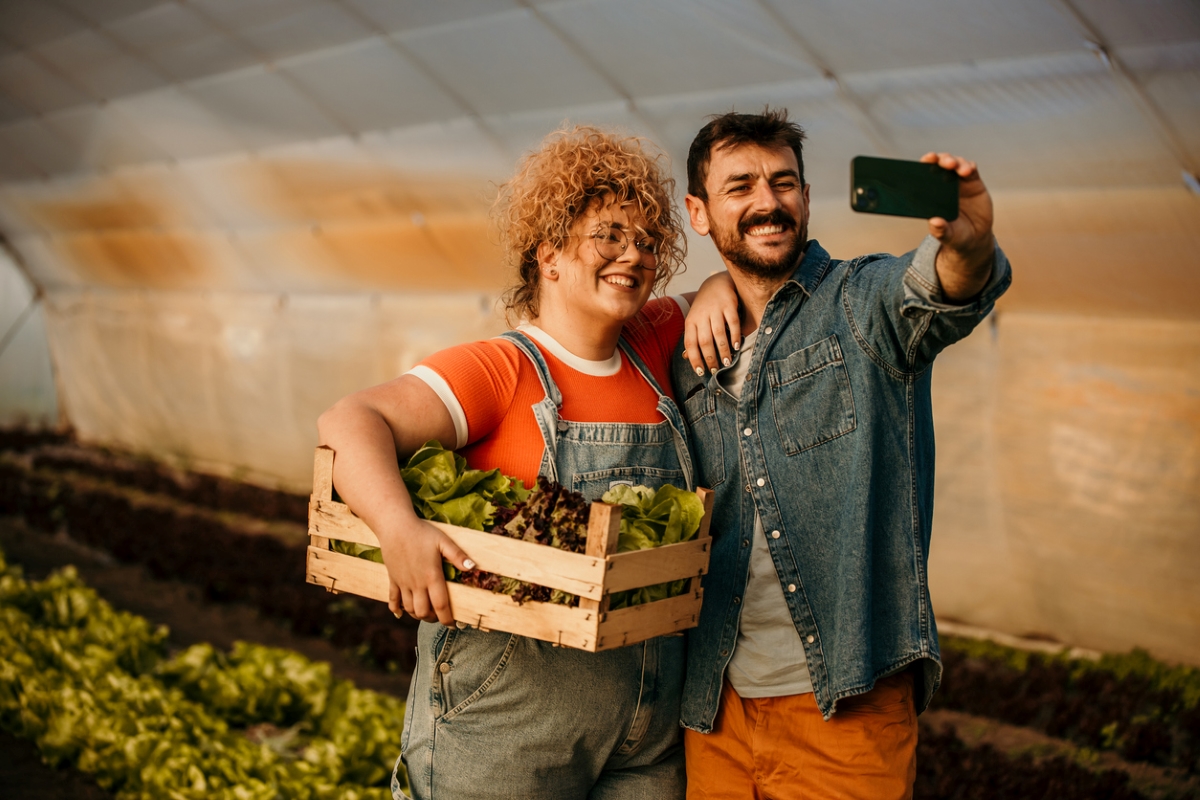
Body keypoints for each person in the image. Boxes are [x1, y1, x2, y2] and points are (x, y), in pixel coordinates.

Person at [317, 126, 699, 800]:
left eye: (647, 241)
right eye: (608, 236)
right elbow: (350, 421)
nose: (633, 256)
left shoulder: (655, 340)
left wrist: (717, 292)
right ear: (549, 251)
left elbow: (745, 290)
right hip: (512, 720)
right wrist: (400, 530)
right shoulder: (502, 369)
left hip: (649, 721)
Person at [672, 108, 1012, 799]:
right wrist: (709, 289)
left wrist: (971, 245)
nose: (768, 202)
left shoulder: (860, 304)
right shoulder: (687, 344)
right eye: (740, 187)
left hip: (846, 705)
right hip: (715, 709)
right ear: (699, 213)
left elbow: (936, 289)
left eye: (784, 182)